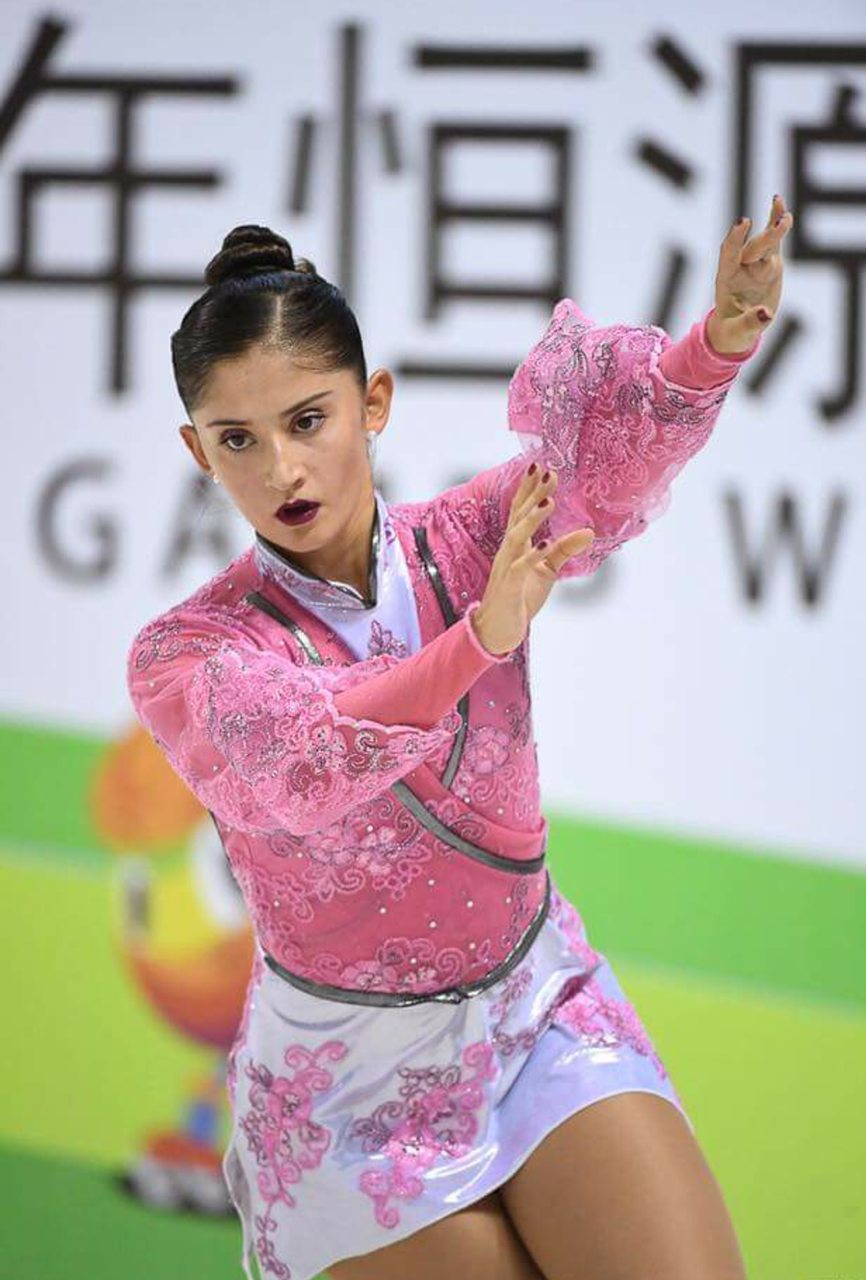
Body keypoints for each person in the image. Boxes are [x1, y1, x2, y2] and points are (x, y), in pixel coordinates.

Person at [126, 202, 791, 1280]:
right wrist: (480, 639)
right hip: (343, 1081)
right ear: (198, 450)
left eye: (308, 419)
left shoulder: (476, 537)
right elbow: (306, 755)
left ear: (373, 403)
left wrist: (717, 340)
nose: (282, 468)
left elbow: (597, 476)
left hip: (537, 1003)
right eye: (238, 439)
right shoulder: (191, 653)